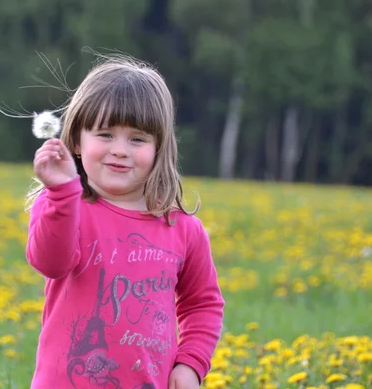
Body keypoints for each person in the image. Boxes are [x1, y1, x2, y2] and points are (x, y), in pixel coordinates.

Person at [25, 54, 224, 389]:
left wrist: (190, 364)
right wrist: (61, 194)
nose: (120, 150)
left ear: (160, 148)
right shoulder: (64, 205)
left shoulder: (183, 229)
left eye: (137, 139)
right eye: (105, 134)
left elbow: (202, 304)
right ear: (76, 139)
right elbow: (51, 263)